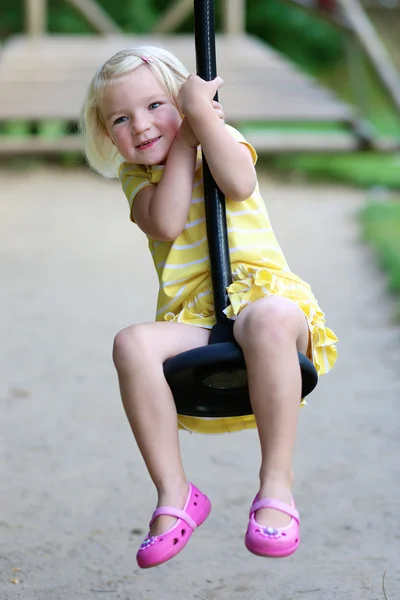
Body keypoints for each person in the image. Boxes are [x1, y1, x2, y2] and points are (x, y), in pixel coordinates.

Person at [80, 45, 338, 568]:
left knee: (264, 319)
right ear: (109, 137)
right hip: (199, 320)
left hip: (268, 303)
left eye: (156, 106)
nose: (143, 125)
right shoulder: (138, 181)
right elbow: (167, 221)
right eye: (122, 119)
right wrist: (186, 137)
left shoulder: (219, 140)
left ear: (185, 101)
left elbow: (239, 182)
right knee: (131, 343)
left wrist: (203, 125)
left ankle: (276, 486)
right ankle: (176, 494)